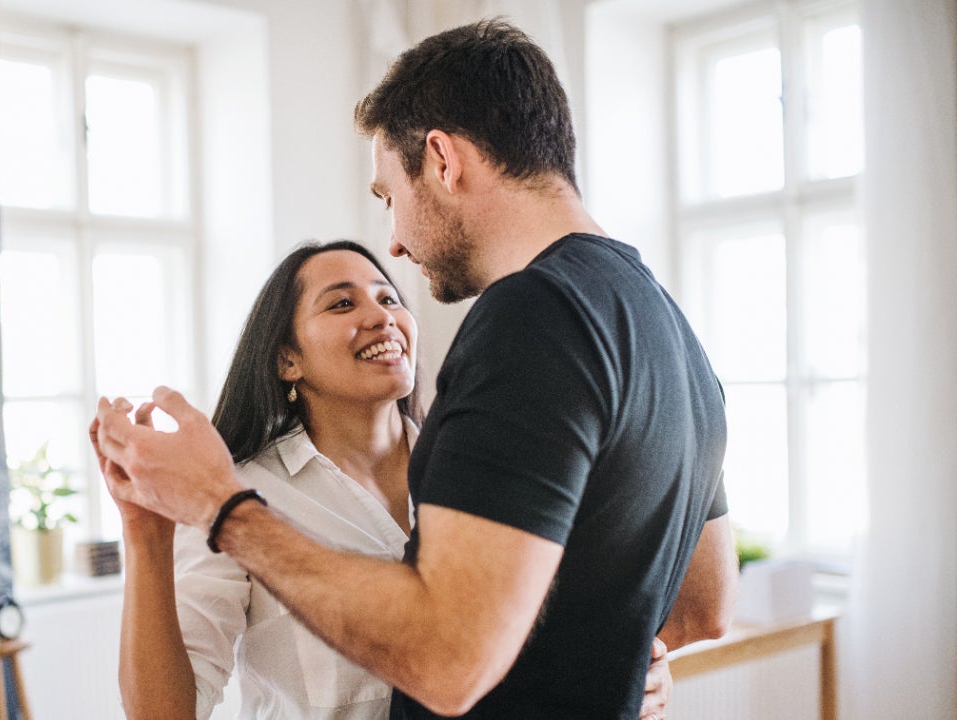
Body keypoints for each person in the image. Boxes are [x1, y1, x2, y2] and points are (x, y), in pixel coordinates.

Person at [94, 18, 736, 719]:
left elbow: (448, 662)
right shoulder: (669, 323)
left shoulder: (529, 315)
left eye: (387, 197)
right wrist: (604, 669)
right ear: (284, 356)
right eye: (341, 302)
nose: (395, 243)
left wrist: (222, 510)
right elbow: (702, 607)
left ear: (442, 158)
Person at [90, 240, 674, 719]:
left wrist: (627, 678)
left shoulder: (483, 468)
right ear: (286, 361)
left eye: (389, 297)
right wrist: (145, 534)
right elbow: (164, 714)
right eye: (341, 305)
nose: (381, 317)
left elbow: (537, 633)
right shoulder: (233, 493)